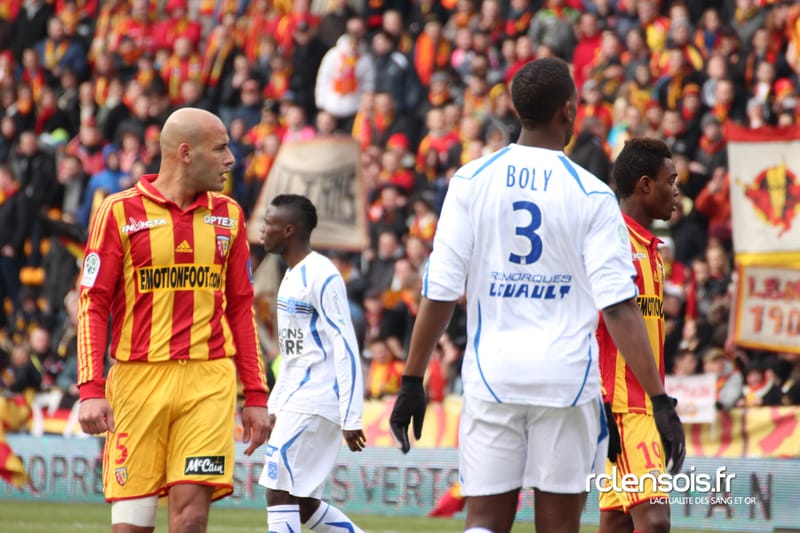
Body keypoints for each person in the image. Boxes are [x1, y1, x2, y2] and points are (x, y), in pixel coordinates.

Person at [389, 57, 685, 533]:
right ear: (568, 111)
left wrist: (411, 380)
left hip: (491, 376)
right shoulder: (592, 195)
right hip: (566, 381)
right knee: (559, 526)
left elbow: (440, 292)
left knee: (484, 522)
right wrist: (660, 400)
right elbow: (617, 308)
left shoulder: (470, 181)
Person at [77, 107, 270, 533]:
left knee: (190, 519)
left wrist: (255, 394)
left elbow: (240, 307)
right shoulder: (118, 212)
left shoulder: (230, 216)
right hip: (137, 383)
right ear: (185, 153)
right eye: (220, 148)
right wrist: (91, 389)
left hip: (208, 380)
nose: (230, 159)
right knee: (132, 526)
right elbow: (92, 304)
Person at [258, 194, 366, 533]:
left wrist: (351, 413)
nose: (262, 230)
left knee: (278, 492)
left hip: (317, 398)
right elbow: (294, 356)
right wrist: (275, 405)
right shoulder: (291, 275)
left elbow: (345, 342)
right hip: (298, 398)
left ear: (289, 230)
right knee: (301, 501)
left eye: (269, 223)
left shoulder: (322, 274)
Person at [596, 137, 679, 533]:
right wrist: (601, 400)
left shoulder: (652, 250)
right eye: (671, 180)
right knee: (655, 521)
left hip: (642, 404)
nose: (677, 190)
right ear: (645, 185)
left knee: (617, 524)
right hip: (624, 407)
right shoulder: (610, 241)